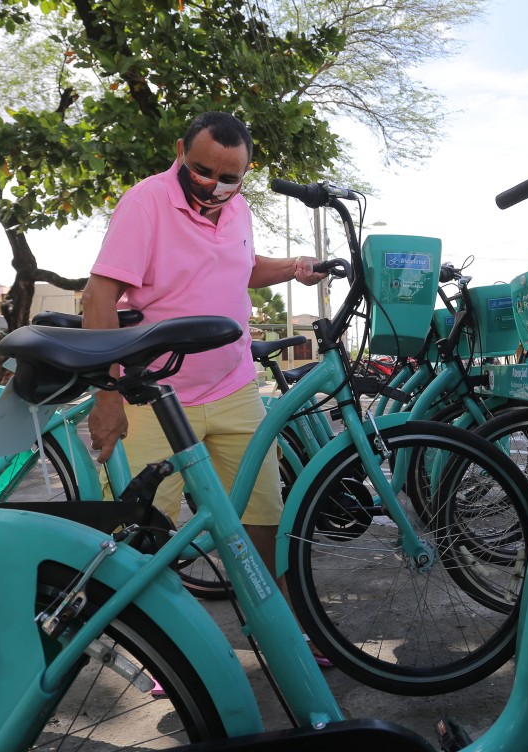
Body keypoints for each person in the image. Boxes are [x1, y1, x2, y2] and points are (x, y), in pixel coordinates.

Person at [81, 113, 326, 650]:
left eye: (229, 176)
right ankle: (160, 653)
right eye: (202, 170)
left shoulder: (237, 209)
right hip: (152, 395)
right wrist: (107, 394)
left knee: (264, 520)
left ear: (246, 173)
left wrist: (292, 267)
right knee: (141, 535)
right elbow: (98, 295)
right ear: (179, 152)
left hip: (235, 389)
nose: (214, 185)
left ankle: (281, 636)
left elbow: (239, 266)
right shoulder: (146, 202)